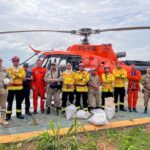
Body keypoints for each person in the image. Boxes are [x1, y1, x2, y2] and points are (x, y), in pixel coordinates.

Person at [6, 56, 26, 120]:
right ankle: (8, 115)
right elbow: (9, 75)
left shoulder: (21, 68)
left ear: (18, 61)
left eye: (17, 61)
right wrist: (17, 75)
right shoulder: (9, 68)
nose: (16, 62)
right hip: (11, 88)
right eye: (14, 61)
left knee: (19, 102)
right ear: (12, 62)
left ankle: (19, 114)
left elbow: (23, 74)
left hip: (19, 88)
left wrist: (16, 75)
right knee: (10, 102)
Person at [0, 57, 9, 125]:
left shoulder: (5, 70)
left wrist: (8, 82)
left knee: (3, 106)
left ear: (2, 61)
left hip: (3, 90)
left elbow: (10, 78)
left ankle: (2, 119)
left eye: (0, 61)